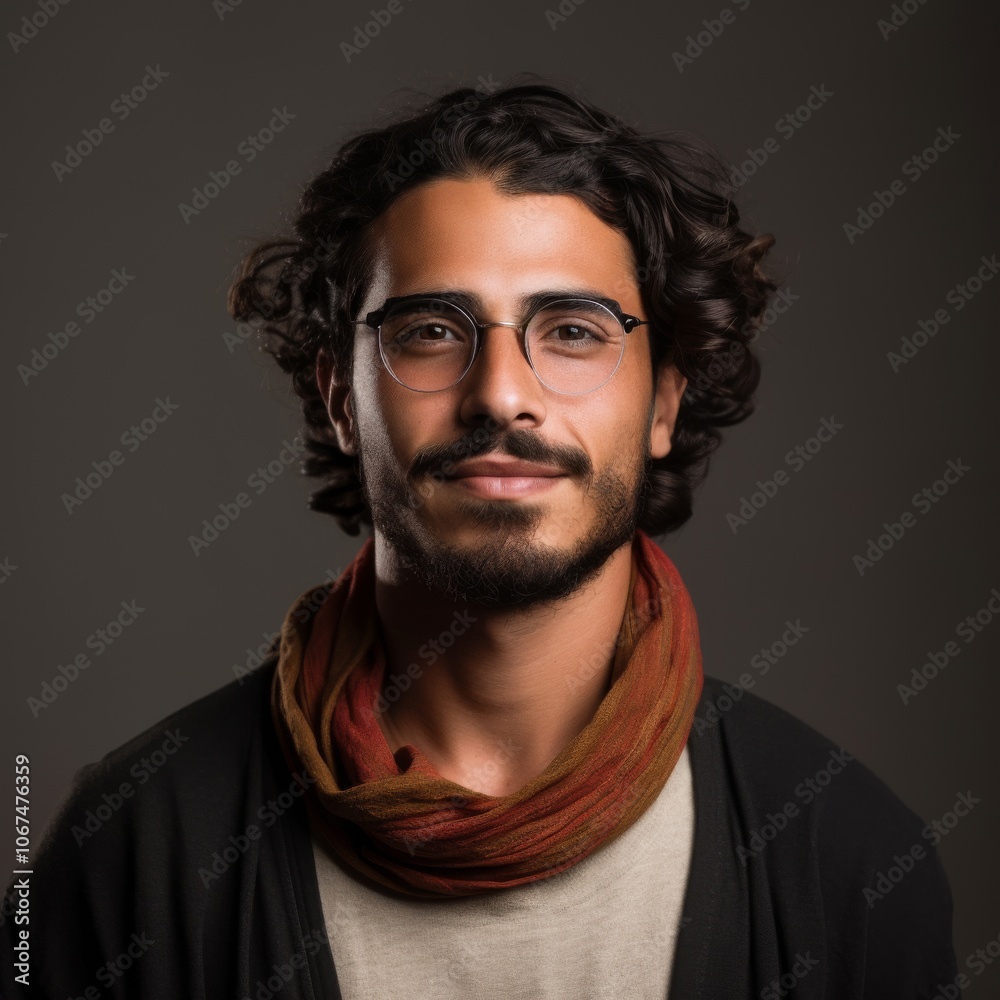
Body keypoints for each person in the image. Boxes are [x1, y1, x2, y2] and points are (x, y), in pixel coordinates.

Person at [1, 77, 958, 999]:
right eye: (430, 330)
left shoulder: (849, 861)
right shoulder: (129, 849)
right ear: (341, 398)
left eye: (575, 331)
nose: (501, 392)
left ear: (664, 401)